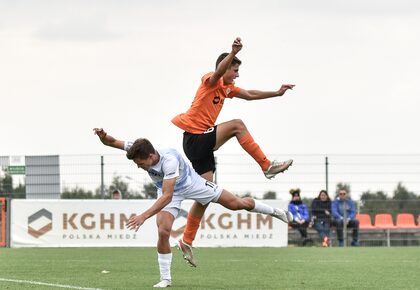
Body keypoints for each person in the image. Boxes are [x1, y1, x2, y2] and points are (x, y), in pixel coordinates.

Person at [93, 128, 292, 288]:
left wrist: (143, 216)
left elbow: (167, 196)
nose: (139, 167)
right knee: (163, 230)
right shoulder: (139, 148)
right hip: (167, 191)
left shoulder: (169, 161)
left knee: (236, 204)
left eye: (141, 163)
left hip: (191, 185)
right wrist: (103, 136)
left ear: (152, 156)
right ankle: (166, 279)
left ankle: (277, 212)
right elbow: (112, 142)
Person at [171, 37, 295, 264]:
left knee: (204, 197)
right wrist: (232, 52)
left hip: (202, 144)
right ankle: (266, 166)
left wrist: (276, 93)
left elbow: (249, 94)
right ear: (226, 67)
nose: (237, 74)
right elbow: (218, 72)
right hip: (195, 138)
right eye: (235, 70)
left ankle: (186, 240)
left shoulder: (227, 89)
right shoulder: (210, 81)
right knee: (237, 125)